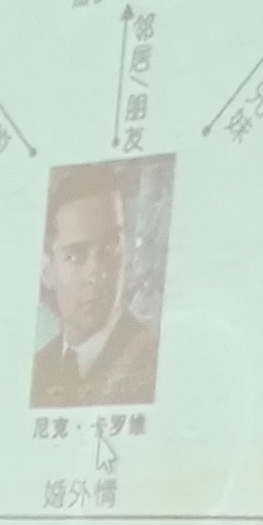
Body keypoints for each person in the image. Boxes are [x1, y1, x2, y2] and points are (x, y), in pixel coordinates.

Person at [31, 164, 162, 405]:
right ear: (46, 270)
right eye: (75, 256)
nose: (97, 273)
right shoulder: (38, 368)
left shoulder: (152, 360)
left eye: (111, 246)